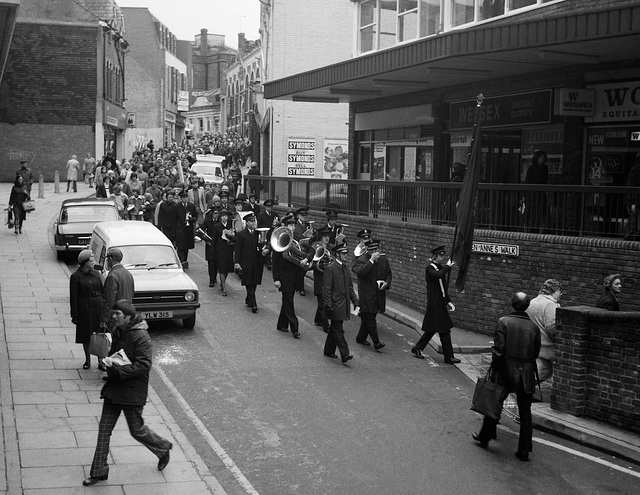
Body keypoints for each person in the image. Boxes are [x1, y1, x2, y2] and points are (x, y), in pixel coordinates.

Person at [83, 300, 173, 486]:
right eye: (114, 313)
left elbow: (144, 365)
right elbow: (119, 357)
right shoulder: (118, 331)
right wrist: (109, 362)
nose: (114, 316)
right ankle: (99, 471)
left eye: (118, 314)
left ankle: (163, 448)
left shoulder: (141, 336)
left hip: (132, 392)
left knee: (137, 431)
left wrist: (119, 370)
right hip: (115, 389)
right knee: (104, 430)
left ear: (129, 317)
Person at [472, 292, 541, 462]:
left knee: (494, 402)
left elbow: (499, 349)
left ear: (512, 304)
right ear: (527, 306)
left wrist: (495, 369)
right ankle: (524, 450)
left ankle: (485, 436)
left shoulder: (504, 322)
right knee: (525, 412)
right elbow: (535, 351)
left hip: (506, 369)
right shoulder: (534, 327)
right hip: (526, 372)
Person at [410, 245, 461, 364]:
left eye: (443, 255)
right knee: (444, 330)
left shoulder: (439, 267)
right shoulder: (430, 269)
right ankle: (449, 357)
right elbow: (438, 275)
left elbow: (443, 288)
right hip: (435, 305)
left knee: (432, 330)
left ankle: (417, 348)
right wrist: (448, 266)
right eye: (441, 255)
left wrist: (448, 301)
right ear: (435, 256)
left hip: (440, 304)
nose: (443, 257)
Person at [273, 214, 312, 338]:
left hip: (295, 277)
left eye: (294, 225)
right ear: (285, 226)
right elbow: (275, 263)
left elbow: (312, 250)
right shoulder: (280, 239)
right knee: (289, 301)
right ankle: (295, 328)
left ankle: (281, 324)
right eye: (290, 225)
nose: (293, 227)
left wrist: (306, 259)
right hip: (284, 277)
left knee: (287, 301)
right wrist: (276, 279)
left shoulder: (298, 240)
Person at [352, 239, 391, 351]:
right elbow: (361, 272)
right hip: (367, 294)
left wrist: (386, 283)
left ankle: (360, 338)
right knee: (370, 317)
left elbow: (388, 274)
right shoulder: (362, 260)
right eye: (372, 250)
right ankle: (376, 342)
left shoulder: (383, 260)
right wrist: (371, 261)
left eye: (376, 249)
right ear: (367, 250)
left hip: (378, 293)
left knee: (369, 317)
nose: (374, 252)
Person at [322, 242, 359, 363]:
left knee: (335, 328)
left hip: (343, 305)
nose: (345, 255)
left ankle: (328, 350)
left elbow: (349, 287)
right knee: (338, 330)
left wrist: (355, 301)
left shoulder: (344, 268)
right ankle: (345, 354)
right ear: (337, 254)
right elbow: (326, 289)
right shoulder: (331, 268)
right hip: (335, 305)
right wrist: (329, 304)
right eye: (343, 253)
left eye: (346, 253)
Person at [69, 250, 103, 370]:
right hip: (84, 308)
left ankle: (100, 361)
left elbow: (103, 291)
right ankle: (87, 360)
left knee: (99, 335)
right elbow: (73, 297)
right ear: (84, 262)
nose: (93, 261)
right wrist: (75, 315)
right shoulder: (76, 277)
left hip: (97, 307)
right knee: (86, 336)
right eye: (91, 259)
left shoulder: (97, 274)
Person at [525, 278, 562, 383]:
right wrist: (559, 341)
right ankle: (524, 389)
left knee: (539, 369)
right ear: (553, 291)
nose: (561, 294)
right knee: (544, 371)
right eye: (559, 291)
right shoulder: (550, 305)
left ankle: (526, 388)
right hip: (546, 346)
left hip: (533, 343)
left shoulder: (533, 302)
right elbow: (551, 328)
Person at [234, 213, 268, 313]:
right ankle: (254, 304)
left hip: (257, 262)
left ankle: (249, 299)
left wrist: (264, 249)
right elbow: (238, 250)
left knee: (255, 282)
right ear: (247, 222)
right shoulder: (241, 234)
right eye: (251, 221)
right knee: (248, 282)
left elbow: (263, 245)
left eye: (254, 221)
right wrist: (237, 262)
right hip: (246, 262)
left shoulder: (258, 233)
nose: (253, 223)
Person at [101, 248, 135, 330]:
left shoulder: (112, 275)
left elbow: (109, 299)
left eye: (107, 259)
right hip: (126, 315)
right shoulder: (128, 274)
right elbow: (132, 293)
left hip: (115, 316)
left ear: (110, 259)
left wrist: (104, 319)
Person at [311, 226, 332, 333]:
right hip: (320, 277)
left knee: (323, 302)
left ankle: (318, 319)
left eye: (328, 236)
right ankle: (325, 325)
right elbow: (312, 264)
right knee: (323, 303)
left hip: (327, 278)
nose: (327, 239)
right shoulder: (316, 247)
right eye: (324, 237)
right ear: (321, 237)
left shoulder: (330, 248)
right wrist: (322, 266)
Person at [524, 150, 549, 233]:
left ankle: (540, 231)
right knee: (530, 212)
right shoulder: (532, 168)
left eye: (543, 157)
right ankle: (527, 231)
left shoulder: (545, 168)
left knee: (542, 213)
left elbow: (546, 180)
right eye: (540, 157)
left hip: (542, 194)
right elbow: (527, 180)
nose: (542, 158)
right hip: (532, 194)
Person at [213, 209, 235, 296]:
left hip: (228, 249)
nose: (224, 218)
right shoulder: (217, 226)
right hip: (220, 249)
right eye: (222, 216)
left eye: (226, 216)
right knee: (222, 268)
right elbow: (214, 240)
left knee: (227, 268)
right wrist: (212, 251)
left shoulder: (230, 226)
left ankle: (223, 282)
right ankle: (224, 287)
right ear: (220, 218)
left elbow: (235, 238)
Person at [173, 191, 197, 268]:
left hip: (188, 229)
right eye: (183, 198)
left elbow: (195, 216)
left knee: (186, 246)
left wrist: (191, 219)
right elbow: (174, 219)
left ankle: (185, 261)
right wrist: (173, 231)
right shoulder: (177, 207)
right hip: (180, 229)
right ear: (181, 199)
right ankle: (181, 261)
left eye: (186, 197)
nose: (185, 199)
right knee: (180, 247)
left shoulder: (191, 206)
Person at [293, 206, 311, 296]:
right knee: (300, 269)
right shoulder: (296, 226)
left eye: (305, 215)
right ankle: (300, 288)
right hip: (299, 249)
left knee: (304, 269)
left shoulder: (308, 225)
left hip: (306, 249)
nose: (304, 217)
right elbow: (296, 236)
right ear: (298, 216)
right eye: (302, 215)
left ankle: (298, 284)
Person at [201, 205, 220, 287]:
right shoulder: (208, 221)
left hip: (218, 245)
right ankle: (211, 279)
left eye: (217, 213)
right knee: (211, 262)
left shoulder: (220, 222)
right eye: (215, 213)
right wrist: (206, 239)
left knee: (217, 262)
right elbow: (200, 231)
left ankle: (215, 277)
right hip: (210, 244)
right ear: (212, 213)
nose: (216, 215)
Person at [625, 153, 640, 240]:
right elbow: (630, 187)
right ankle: (632, 236)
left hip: (634, 201)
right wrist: (632, 201)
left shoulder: (634, 170)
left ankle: (633, 235)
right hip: (633, 201)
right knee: (634, 219)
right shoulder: (635, 171)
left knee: (634, 219)